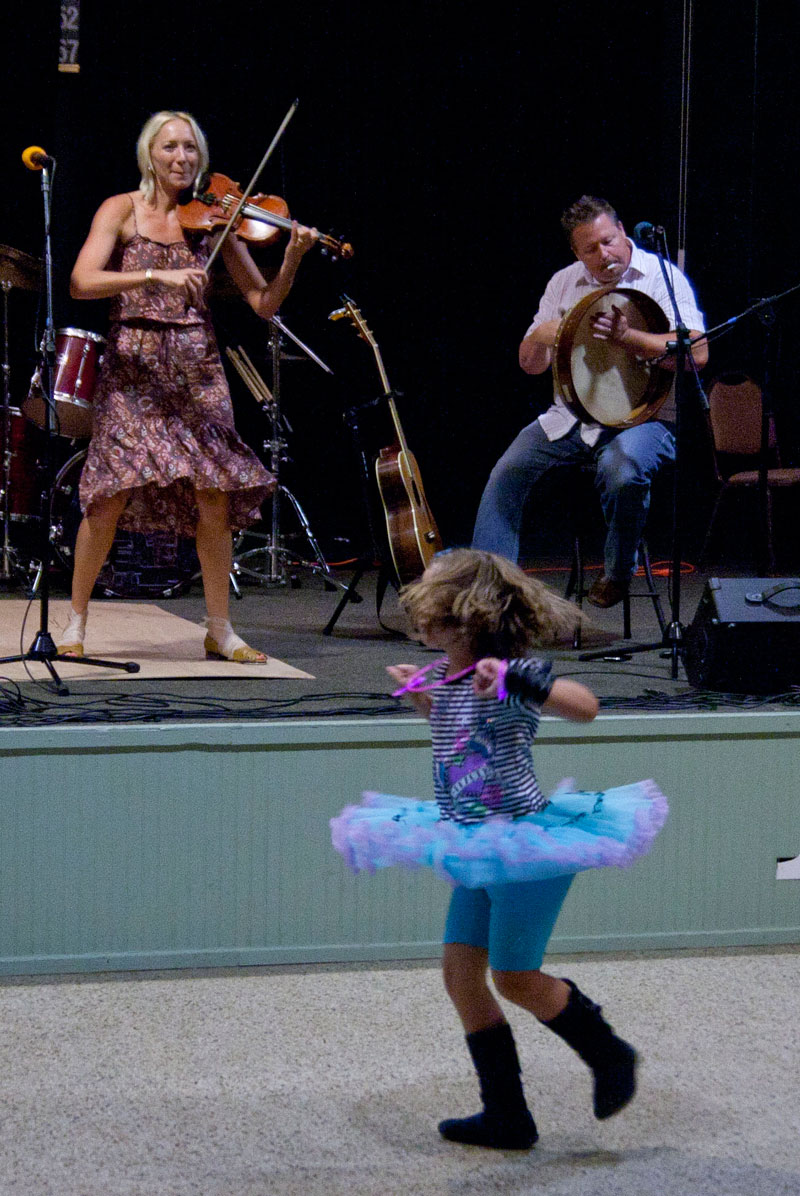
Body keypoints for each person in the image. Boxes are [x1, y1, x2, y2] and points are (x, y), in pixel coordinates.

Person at [330, 548, 668, 1150]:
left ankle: (608, 1052)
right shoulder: (451, 676)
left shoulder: (504, 673)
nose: (420, 621)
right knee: (461, 976)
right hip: (470, 843)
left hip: (524, 852)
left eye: (429, 611)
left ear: (462, 617)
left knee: (513, 977)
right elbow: (461, 735)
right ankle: (506, 1115)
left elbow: (585, 707)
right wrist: (421, 698)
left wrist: (519, 679)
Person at [57, 110, 317, 662]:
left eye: (191, 149)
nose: (182, 158)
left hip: (197, 369)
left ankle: (219, 629)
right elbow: (82, 282)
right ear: (149, 153)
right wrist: (155, 275)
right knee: (108, 495)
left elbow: (263, 303)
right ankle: (75, 621)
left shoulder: (213, 222)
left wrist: (291, 260)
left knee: (214, 496)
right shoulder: (120, 209)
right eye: (171, 147)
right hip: (133, 369)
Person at [472, 194, 708, 608]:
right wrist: (540, 337)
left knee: (624, 472)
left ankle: (618, 572)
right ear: (576, 253)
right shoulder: (563, 282)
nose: (603, 254)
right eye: (590, 249)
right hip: (572, 418)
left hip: (645, 418)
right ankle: (487, 595)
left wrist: (629, 338)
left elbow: (699, 353)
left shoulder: (660, 276)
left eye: (608, 241)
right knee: (504, 475)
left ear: (620, 231)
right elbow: (530, 365)